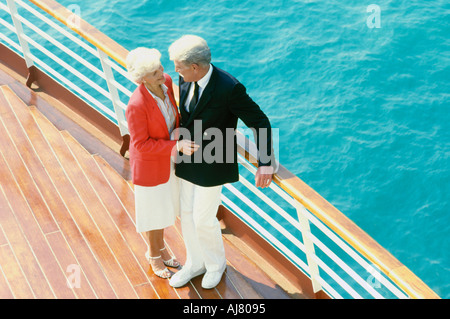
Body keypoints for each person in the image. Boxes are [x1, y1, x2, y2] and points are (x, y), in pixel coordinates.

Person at [168, 35, 274, 289]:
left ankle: (216, 265)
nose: (175, 71)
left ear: (194, 67)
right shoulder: (185, 79)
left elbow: (259, 122)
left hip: (215, 161)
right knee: (187, 214)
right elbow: (186, 116)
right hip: (187, 158)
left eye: (178, 66)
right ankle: (195, 263)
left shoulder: (229, 88)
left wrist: (266, 161)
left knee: (204, 218)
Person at [125, 47, 199, 279]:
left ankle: (161, 247)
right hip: (150, 165)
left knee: (165, 209)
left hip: (169, 161)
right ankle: (153, 254)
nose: (161, 72)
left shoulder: (165, 82)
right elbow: (140, 145)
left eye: (159, 67)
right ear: (141, 78)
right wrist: (174, 146)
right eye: (153, 72)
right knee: (153, 213)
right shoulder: (136, 105)